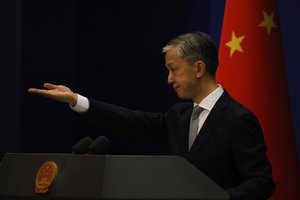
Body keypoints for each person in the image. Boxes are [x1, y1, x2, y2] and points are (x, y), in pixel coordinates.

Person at [28, 32, 275, 199]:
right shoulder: (178, 115)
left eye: (173, 70)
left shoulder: (237, 118)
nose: (169, 79)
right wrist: (76, 100)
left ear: (199, 68)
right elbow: (130, 120)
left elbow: (261, 183)